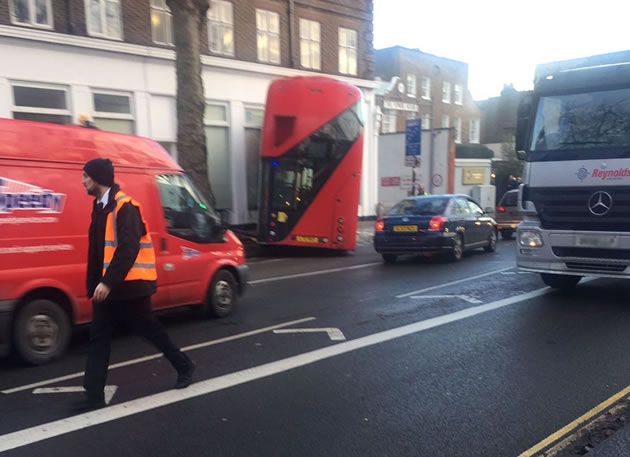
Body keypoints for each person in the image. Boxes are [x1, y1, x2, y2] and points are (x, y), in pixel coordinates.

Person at [76, 158, 195, 411]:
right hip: (108, 288)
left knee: (150, 330)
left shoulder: (125, 207)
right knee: (98, 338)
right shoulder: (99, 207)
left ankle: (184, 365)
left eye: (85, 176)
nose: (82, 180)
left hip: (131, 287)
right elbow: (98, 252)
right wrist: (96, 285)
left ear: (97, 179)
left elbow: (128, 249)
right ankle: (93, 396)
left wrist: (107, 283)